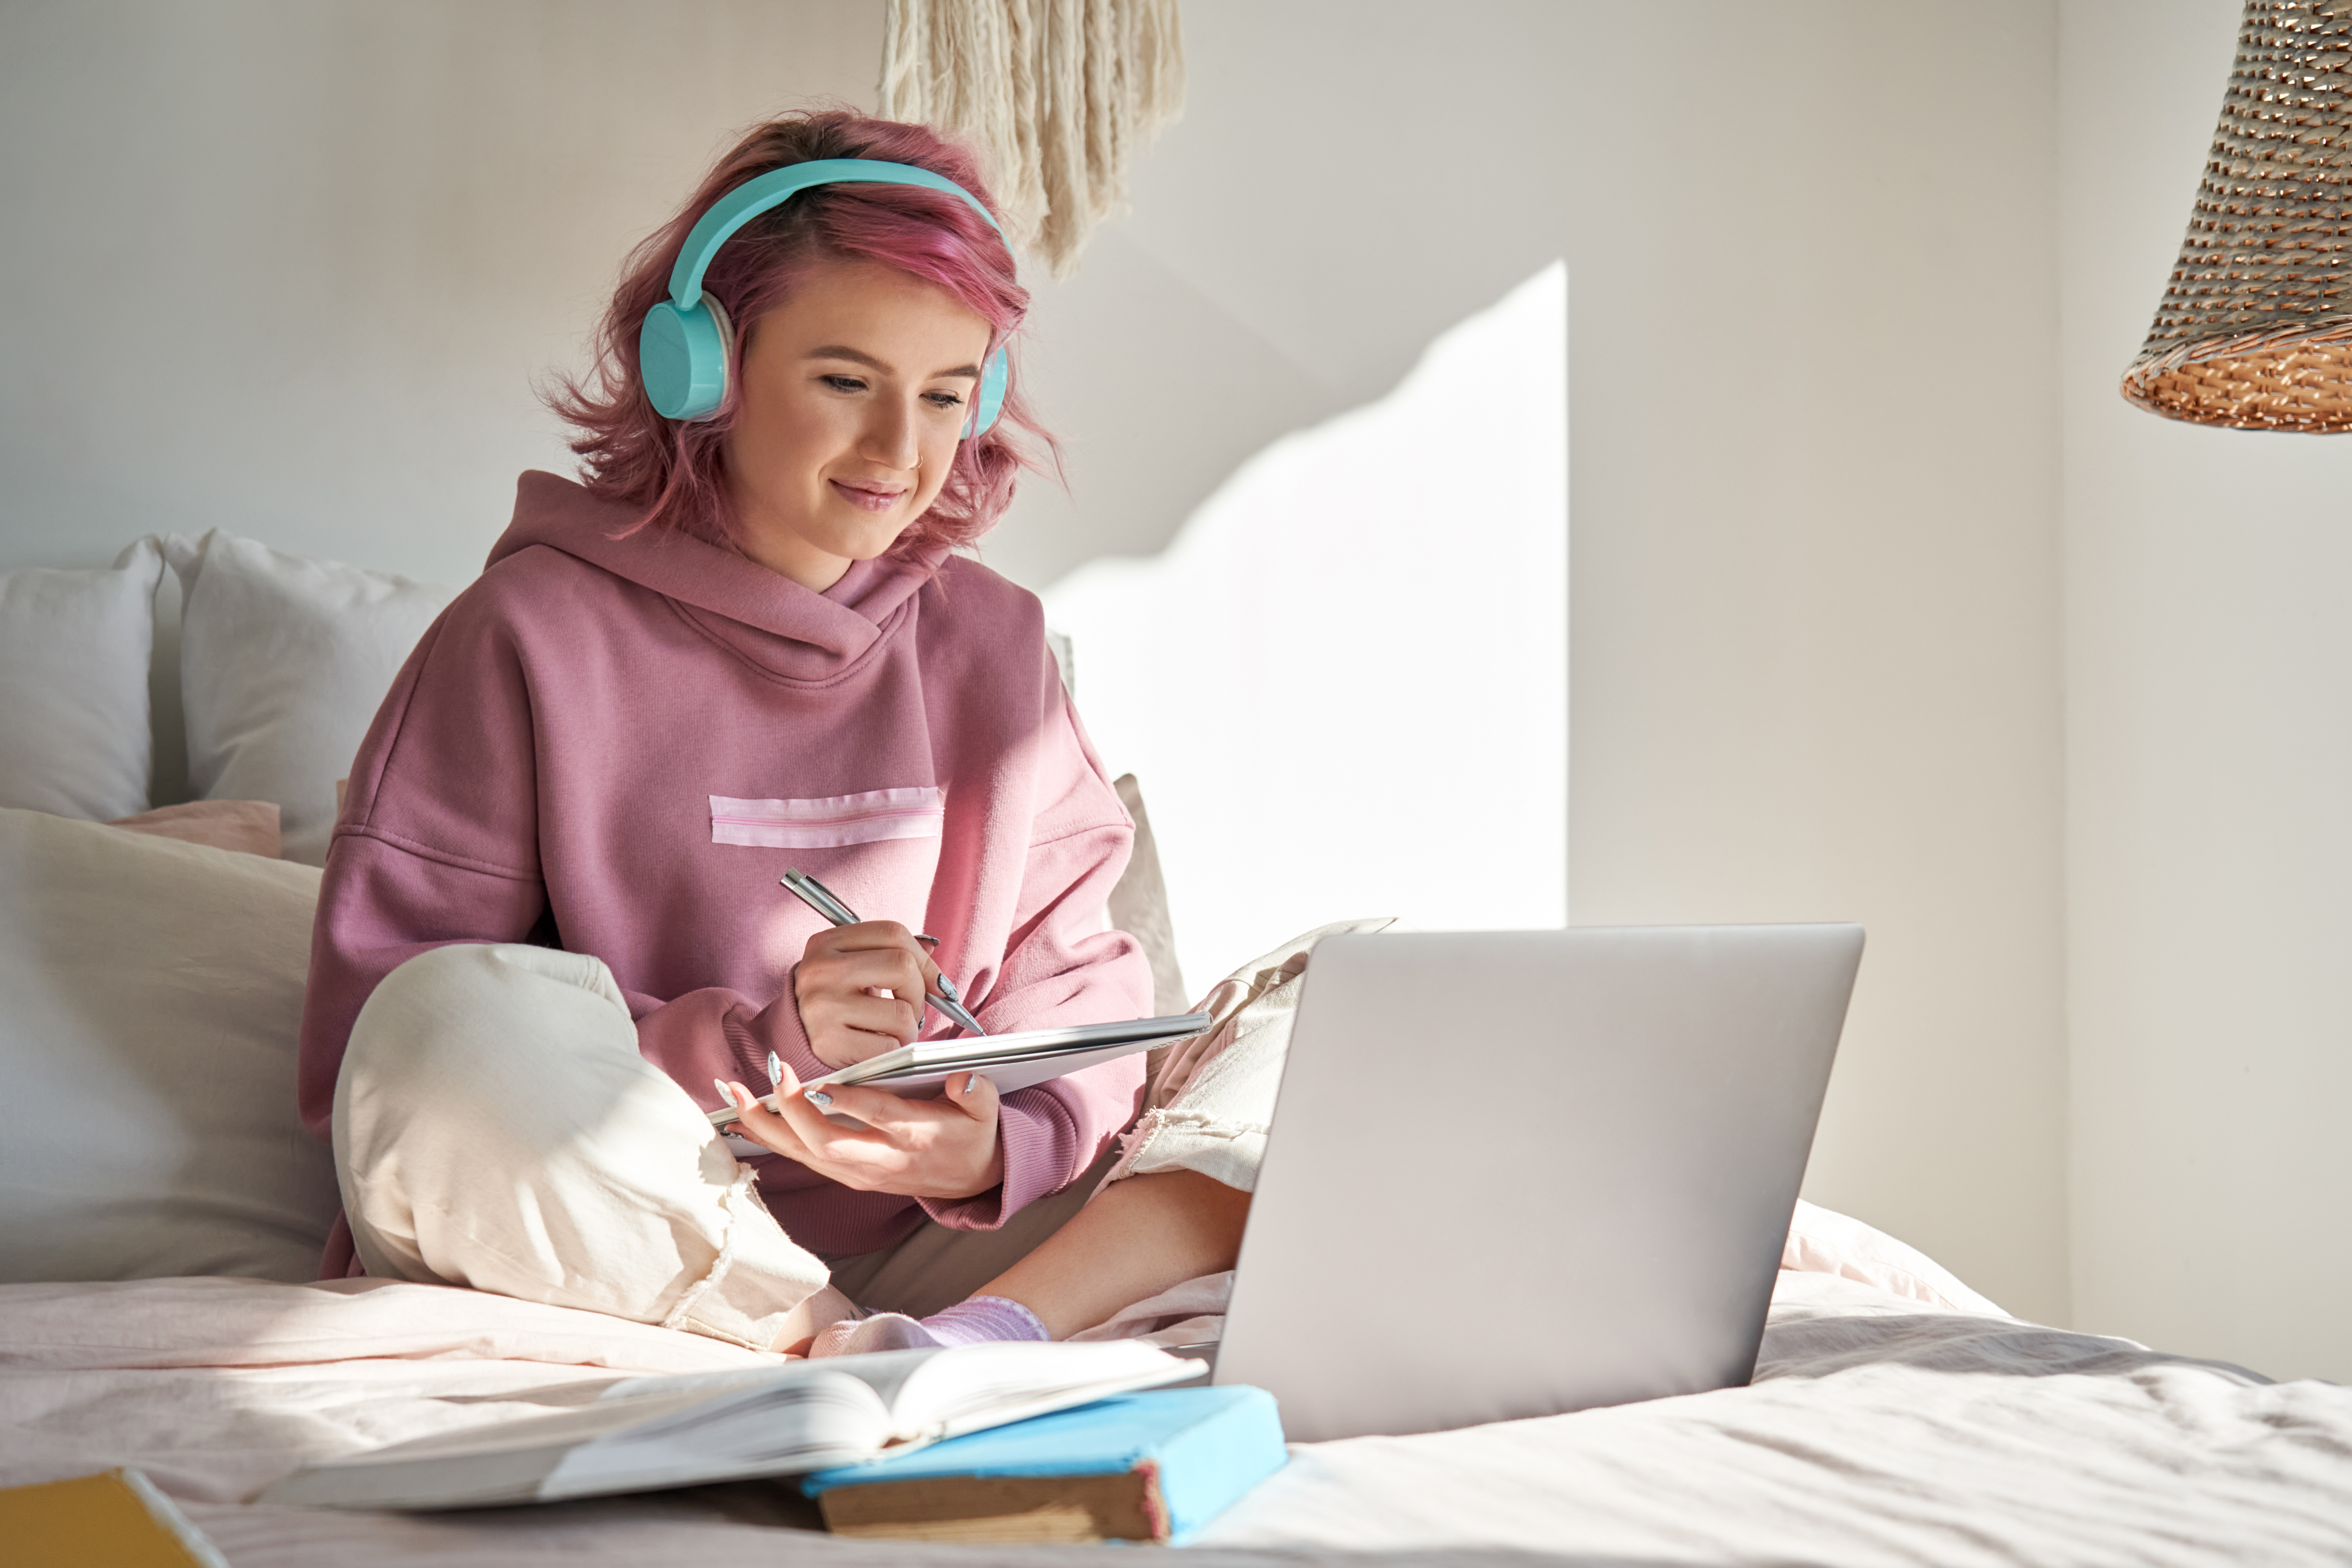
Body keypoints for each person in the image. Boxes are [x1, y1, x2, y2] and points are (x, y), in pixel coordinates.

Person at [295, 110, 1255, 1355]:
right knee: (439, 1026)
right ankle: (832, 1344)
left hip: (941, 1244)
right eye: (846, 381)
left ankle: (972, 1342)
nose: (900, 451)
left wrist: (993, 1146)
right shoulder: (523, 634)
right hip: (631, 1227)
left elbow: (1081, 985)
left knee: (1309, 1014)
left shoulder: (999, 646)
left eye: (946, 394)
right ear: (704, 369)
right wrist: (765, 1049)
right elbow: (381, 1058)